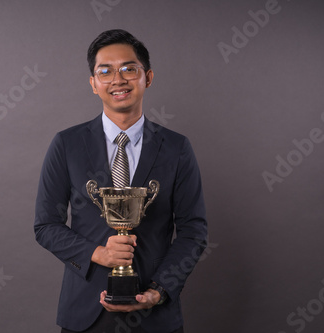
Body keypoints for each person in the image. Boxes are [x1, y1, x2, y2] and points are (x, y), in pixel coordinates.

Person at [34, 29, 208, 333]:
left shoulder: (177, 148)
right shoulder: (67, 144)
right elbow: (46, 225)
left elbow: (193, 231)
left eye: (129, 68)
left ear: (148, 77)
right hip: (85, 312)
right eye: (106, 71)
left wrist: (158, 291)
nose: (118, 79)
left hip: (156, 314)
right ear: (93, 83)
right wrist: (99, 254)